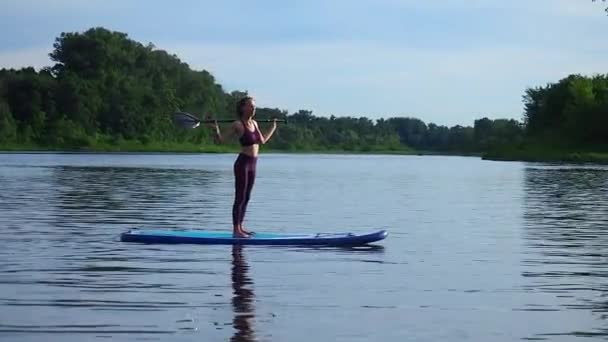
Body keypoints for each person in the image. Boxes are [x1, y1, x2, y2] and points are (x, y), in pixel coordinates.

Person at [209, 96, 278, 238]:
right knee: (239, 196)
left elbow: (262, 141)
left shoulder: (255, 123)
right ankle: (236, 229)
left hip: (253, 164)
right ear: (242, 108)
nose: (253, 108)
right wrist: (215, 129)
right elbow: (221, 141)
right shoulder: (237, 124)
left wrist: (273, 127)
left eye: (254, 106)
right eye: (250, 106)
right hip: (243, 163)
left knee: (247, 197)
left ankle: (241, 226)